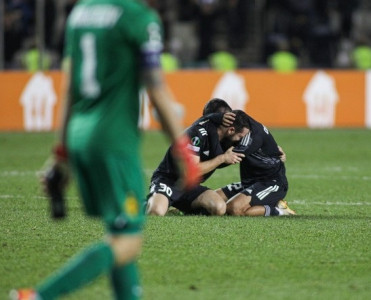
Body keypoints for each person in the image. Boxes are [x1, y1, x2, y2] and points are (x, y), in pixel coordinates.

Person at [10, 1, 200, 300]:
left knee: (120, 232)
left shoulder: (81, 13)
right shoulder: (139, 19)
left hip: (80, 135)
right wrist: (182, 148)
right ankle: (38, 296)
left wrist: (61, 153)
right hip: (114, 140)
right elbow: (155, 88)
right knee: (127, 243)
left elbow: (69, 87)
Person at [146, 110, 251, 216]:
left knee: (219, 208)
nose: (240, 142)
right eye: (240, 137)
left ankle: (181, 210)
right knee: (156, 211)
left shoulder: (221, 141)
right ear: (231, 130)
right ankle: (146, 204)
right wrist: (222, 158)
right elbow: (190, 170)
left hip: (190, 187)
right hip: (168, 181)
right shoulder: (197, 133)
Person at [215, 113, 296, 217]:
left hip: (271, 183)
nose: (242, 137)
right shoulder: (244, 122)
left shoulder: (253, 138)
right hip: (250, 182)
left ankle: (279, 210)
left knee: (234, 209)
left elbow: (225, 159)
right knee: (213, 199)